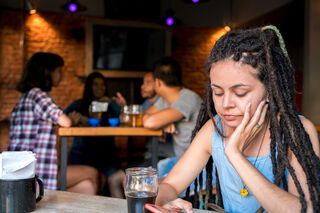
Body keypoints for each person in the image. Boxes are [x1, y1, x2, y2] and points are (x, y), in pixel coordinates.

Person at [155, 26, 320, 213]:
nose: (225, 104)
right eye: (217, 92)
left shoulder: (296, 131)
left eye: (240, 93)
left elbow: (306, 210)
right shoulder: (214, 129)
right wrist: (166, 201)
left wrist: (234, 154)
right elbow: (170, 185)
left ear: (270, 90)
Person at [8, 52, 98, 194]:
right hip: (37, 173)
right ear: (47, 72)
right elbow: (65, 121)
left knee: (88, 187)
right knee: (92, 172)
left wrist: (70, 120)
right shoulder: (38, 95)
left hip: (22, 172)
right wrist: (72, 120)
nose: (61, 75)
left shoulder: (26, 98)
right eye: (59, 71)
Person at [64, 71, 121, 195]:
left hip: (106, 152)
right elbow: (63, 117)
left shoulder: (110, 104)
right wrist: (75, 119)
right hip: (82, 152)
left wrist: (112, 103)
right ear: (89, 86)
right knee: (87, 184)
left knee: (114, 178)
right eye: (95, 84)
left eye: (102, 84)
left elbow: (123, 118)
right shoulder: (79, 104)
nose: (100, 88)